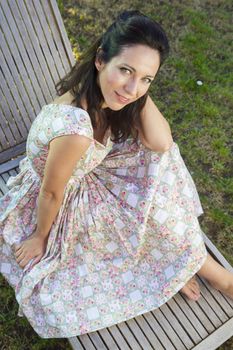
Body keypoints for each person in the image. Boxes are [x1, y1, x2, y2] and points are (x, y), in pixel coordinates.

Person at [0, 10, 232, 339]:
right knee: (144, 208)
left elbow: (161, 141)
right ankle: (206, 273)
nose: (132, 87)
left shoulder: (99, 92)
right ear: (100, 60)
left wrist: (134, 85)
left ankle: (185, 263)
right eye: (124, 70)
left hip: (87, 170)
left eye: (147, 78)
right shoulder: (76, 129)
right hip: (62, 197)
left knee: (161, 162)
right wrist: (39, 237)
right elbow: (51, 194)